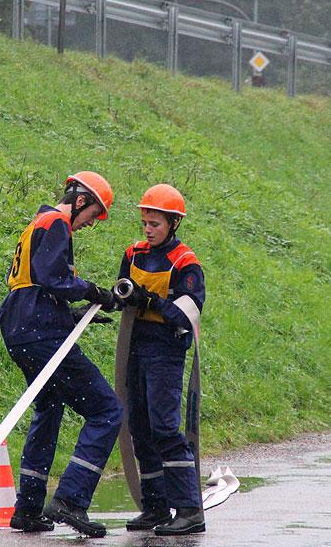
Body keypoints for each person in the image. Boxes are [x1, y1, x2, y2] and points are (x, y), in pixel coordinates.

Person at [0, 171, 122, 538]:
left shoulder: (38, 222)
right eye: (93, 215)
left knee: (49, 407)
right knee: (107, 410)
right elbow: (54, 280)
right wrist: (94, 292)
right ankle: (71, 499)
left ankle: (28, 509)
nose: (89, 224)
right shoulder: (57, 223)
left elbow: (31, 283)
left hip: (20, 326)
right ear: (81, 200)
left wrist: (74, 315)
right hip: (41, 330)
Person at [117, 184, 206, 536]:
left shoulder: (186, 263)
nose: (148, 229)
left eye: (155, 223)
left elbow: (187, 315)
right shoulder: (134, 253)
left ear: (173, 223)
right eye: (145, 222)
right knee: (139, 427)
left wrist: (151, 302)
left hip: (165, 351)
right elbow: (122, 292)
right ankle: (154, 507)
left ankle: (188, 510)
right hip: (136, 347)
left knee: (165, 429)